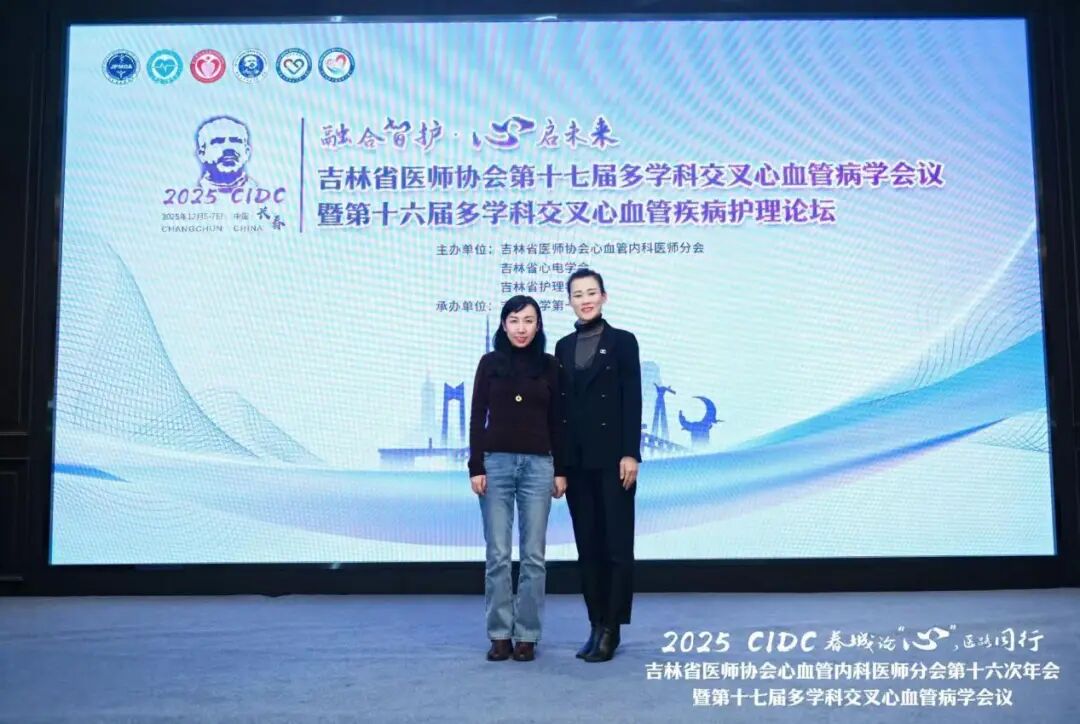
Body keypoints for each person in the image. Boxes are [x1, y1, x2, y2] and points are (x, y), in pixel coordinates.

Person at [468, 295, 567, 662]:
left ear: (538, 325)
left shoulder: (550, 365)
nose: (521, 328)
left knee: (533, 556)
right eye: (514, 320)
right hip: (496, 464)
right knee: (497, 554)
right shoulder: (490, 363)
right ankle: (499, 633)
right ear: (503, 324)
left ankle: (527, 634)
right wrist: (476, 466)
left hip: (539, 466)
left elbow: (558, 420)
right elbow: (477, 415)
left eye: (528, 321)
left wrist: (561, 470)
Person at [554, 268, 641, 663]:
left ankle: (613, 628)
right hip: (577, 462)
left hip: (614, 459)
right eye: (578, 294)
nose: (585, 300)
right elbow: (560, 411)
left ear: (604, 297)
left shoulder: (623, 341)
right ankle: (595, 622)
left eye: (592, 293)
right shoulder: (562, 347)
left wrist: (630, 453)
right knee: (587, 547)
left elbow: (632, 398)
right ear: (569, 301)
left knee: (616, 546)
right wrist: (559, 465)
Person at [194, 115, 256, 192]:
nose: (228, 147)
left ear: (247, 152)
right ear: (202, 154)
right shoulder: (189, 195)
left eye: (235, 141)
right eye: (218, 141)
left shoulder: (260, 192)